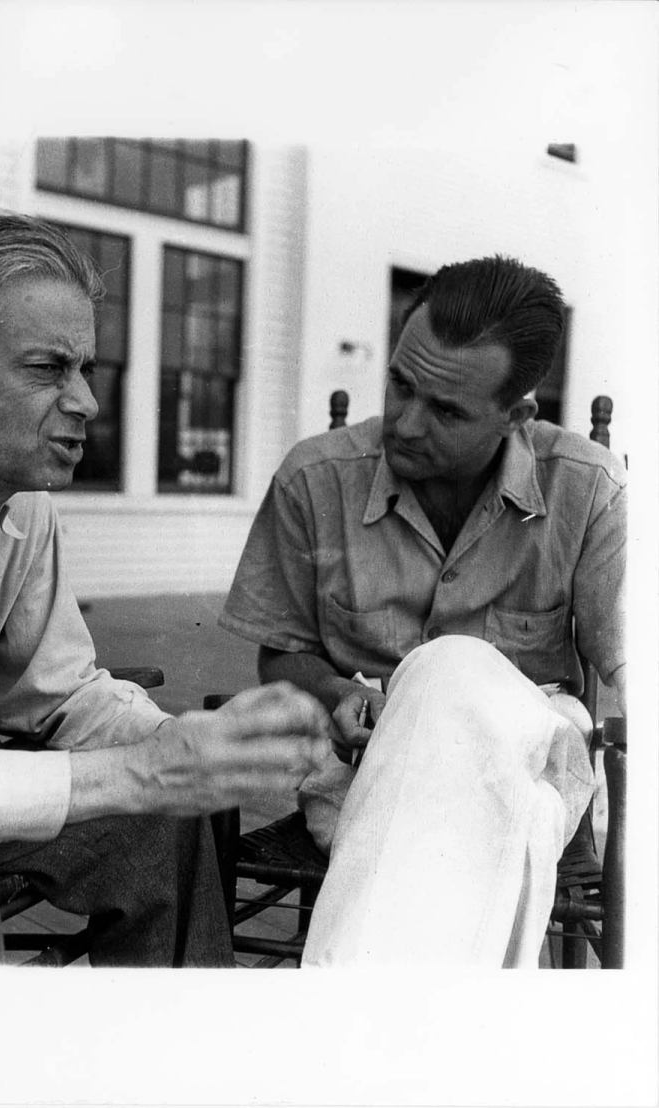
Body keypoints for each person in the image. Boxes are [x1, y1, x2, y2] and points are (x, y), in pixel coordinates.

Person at [0, 212, 333, 966]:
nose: (87, 402)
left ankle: (169, 1060)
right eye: (48, 369)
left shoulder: (20, 503)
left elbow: (55, 695)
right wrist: (142, 771)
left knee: (168, 811)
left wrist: (205, 749)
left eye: (85, 370)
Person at [220, 255, 627, 966]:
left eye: (445, 410)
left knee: (453, 673)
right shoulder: (315, 478)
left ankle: (350, 1028)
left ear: (517, 416)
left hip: (531, 748)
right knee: (496, 840)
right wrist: (339, 693)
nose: (406, 424)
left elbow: (628, 660)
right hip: (363, 766)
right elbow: (282, 649)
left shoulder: (587, 489)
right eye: (401, 385)